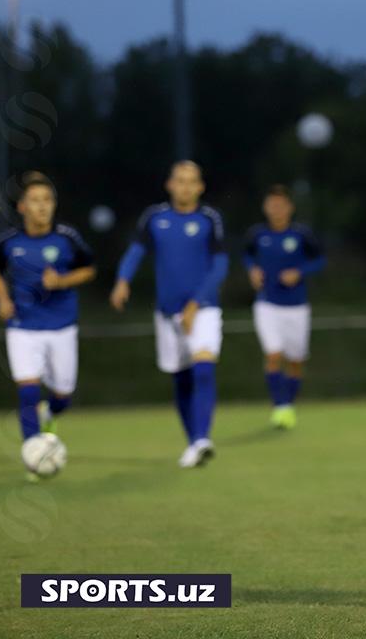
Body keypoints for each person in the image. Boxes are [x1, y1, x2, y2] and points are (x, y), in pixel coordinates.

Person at [110, 161, 228, 466]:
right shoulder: (154, 218)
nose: (186, 186)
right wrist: (123, 281)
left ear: (200, 187)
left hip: (203, 310)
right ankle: (193, 443)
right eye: (180, 180)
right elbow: (136, 252)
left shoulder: (209, 219)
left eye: (192, 181)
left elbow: (220, 265)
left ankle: (202, 437)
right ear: (170, 184)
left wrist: (195, 304)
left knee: (204, 368)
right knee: (182, 379)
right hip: (166, 313)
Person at [0, 172, 95, 478]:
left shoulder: (67, 238)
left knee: (63, 395)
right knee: (28, 391)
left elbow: (89, 270)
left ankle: (50, 413)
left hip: (62, 326)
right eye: (35, 201)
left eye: (47, 200)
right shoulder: (9, 242)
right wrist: (2, 301)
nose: (43, 206)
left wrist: (62, 280)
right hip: (22, 327)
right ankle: (33, 456)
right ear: (22, 207)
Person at [243, 185, 325, 428]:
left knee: (295, 361)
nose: (276, 209)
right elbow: (247, 256)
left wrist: (299, 272)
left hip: (297, 307)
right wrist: (252, 270)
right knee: (273, 354)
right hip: (267, 305)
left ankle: (287, 405)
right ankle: (280, 406)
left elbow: (319, 259)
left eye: (281, 205)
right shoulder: (257, 234)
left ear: (290, 208)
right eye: (272, 204)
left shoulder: (301, 234)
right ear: (265, 207)